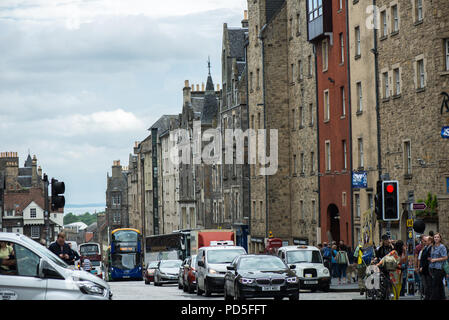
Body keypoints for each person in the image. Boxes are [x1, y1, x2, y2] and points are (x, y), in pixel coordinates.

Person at [428, 233, 447, 300]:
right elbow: (432, 257)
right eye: (435, 237)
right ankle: (442, 297)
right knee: (439, 284)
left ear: (440, 239)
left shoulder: (442, 247)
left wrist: (435, 260)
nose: (436, 238)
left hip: (439, 268)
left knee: (435, 284)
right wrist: (430, 259)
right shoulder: (432, 247)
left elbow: (445, 257)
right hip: (432, 267)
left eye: (437, 237)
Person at [419, 236, 433, 300]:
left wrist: (423, 267)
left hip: (427, 270)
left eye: (426, 241)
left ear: (430, 241)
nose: (424, 242)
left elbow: (427, 260)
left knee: (428, 285)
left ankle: (428, 297)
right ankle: (427, 296)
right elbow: (422, 258)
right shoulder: (425, 248)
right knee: (425, 285)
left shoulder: (431, 248)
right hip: (424, 270)